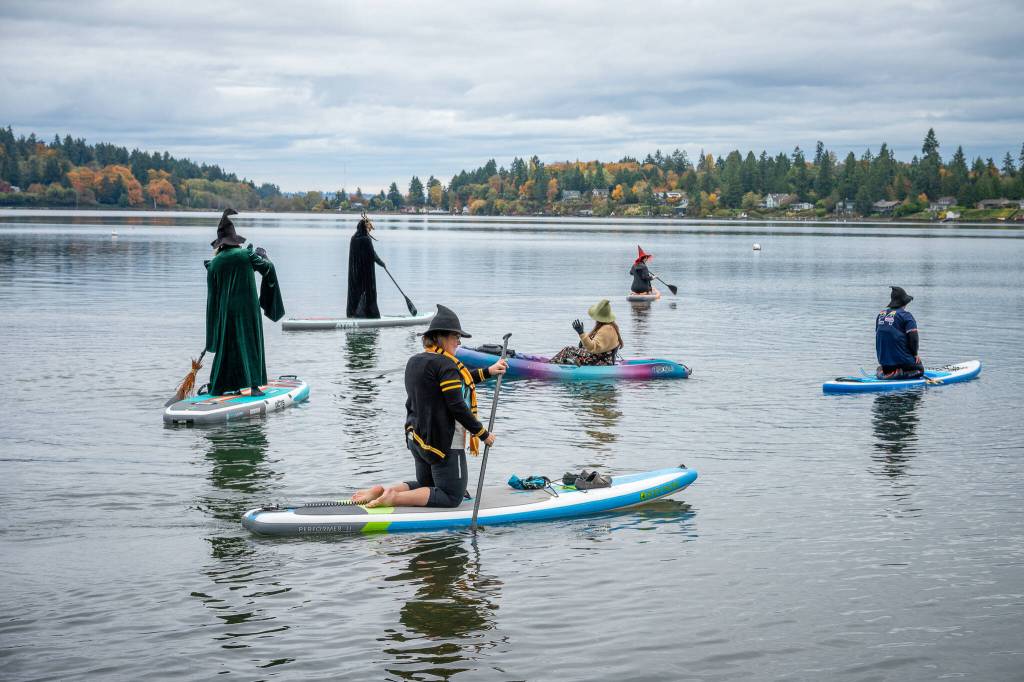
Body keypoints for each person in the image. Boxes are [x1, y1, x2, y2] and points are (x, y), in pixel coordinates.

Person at [352, 305, 508, 508]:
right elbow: (457, 406)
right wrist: (482, 433)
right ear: (441, 337)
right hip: (444, 443)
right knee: (452, 496)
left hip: (417, 438)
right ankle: (394, 498)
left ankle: (380, 491)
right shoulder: (447, 365)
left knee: (427, 485)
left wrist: (488, 371)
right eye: (456, 337)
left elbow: (452, 384)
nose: (459, 342)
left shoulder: (416, 361)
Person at [205, 209, 285, 396]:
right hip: (247, 309)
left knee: (227, 347)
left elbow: (212, 298)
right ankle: (254, 386)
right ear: (234, 240)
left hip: (226, 312)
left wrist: (214, 326)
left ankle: (220, 386)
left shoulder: (213, 264)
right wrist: (264, 256)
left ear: (220, 244)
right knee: (249, 343)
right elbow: (268, 269)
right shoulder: (245, 255)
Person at [549, 299, 624, 366]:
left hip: (601, 362)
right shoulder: (609, 326)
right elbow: (595, 345)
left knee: (568, 350)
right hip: (600, 359)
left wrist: (581, 333)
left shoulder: (607, 329)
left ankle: (551, 365)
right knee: (570, 353)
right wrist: (583, 340)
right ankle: (567, 362)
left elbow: (592, 348)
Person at [875, 286, 923, 379]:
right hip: (900, 363)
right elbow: (913, 339)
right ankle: (897, 373)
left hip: (884, 363)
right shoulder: (906, 316)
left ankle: (881, 372)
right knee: (920, 369)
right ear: (904, 302)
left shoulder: (880, 315)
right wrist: (915, 354)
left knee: (884, 367)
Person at [347, 214, 385, 318]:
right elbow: (373, 255)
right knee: (367, 292)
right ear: (365, 227)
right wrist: (382, 263)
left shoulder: (353, 238)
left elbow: (370, 253)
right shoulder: (366, 239)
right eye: (369, 228)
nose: (370, 230)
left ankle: (353, 313)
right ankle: (370, 315)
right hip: (366, 274)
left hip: (355, 274)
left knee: (356, 292)